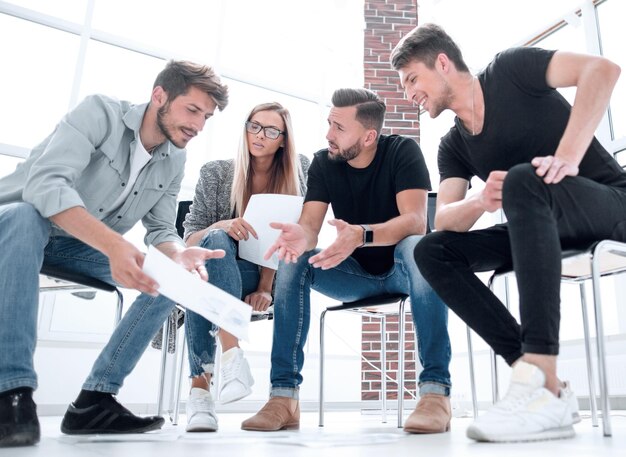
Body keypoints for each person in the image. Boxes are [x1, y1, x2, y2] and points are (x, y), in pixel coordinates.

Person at [390, 23, 624, 443]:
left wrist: (567, 158)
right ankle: (539, 383)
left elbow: (602, 70)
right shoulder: (452, 146)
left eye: (412, 80)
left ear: (442, 63)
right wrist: (481, 201)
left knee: (523, 179)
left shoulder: (510, 70)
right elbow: (443, 218)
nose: (409, 94)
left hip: (608, 205)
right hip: (536, 227)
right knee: (433, 250)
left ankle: (540, 375)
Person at [0, 60, 229, 447]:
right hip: (19, 230)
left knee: (170, 276)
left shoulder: (174, 157)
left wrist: (176, 255)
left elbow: (160, 230)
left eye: (206, 117)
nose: (198, 126)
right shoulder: (99, 113)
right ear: (160, 96)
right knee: (25, 216)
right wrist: (114, 246)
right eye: (192, 110)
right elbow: (46, 185)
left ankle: (95, 399)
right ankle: (12, 393)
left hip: (78, 247)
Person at [241, 88, 453, 434]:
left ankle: (435, 393)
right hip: (356, 275)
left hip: (403, 270)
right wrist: (300, 237)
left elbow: (416, 221)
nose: (328, 135)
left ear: (369, 136)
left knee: (419, 247)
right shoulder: (325, 162)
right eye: (328, 124)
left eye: (338, 127)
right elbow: (310, 228)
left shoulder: (402, 152)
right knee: (295, 260)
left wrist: (361, 234)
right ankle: (284, 397)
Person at [180, 102, 310, 432]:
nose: (259, 135)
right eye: (254, 126)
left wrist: (266, 286)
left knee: (200, 282)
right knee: (214, 252)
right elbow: (190, 241)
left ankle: (200, 395)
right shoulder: (216, 173)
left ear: (283, 139)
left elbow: (291, 238)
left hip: (262, 274)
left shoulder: (299, 171)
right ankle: (231, 355)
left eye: (270, 130)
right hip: (213, 269)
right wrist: (220, 225)